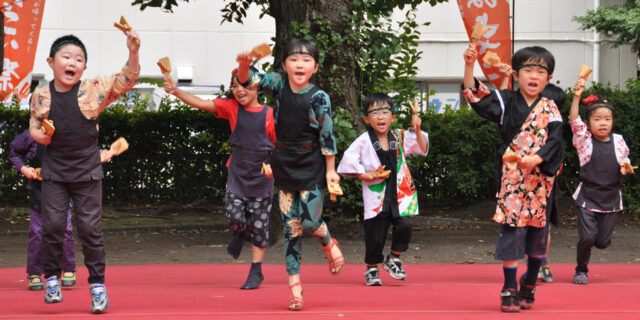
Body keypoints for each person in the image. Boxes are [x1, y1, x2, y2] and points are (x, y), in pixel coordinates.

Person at [29, 32, 140, 313]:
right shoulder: (41, 94)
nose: (72, 62)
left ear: (84, 68)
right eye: (66, 57)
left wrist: (133, 51)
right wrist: (40, 136)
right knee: (52, 228)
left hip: (88, 173)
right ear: (51, 62)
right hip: (54, 174)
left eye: (79, 59)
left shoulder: (93, 88)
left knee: (90, 230)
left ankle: (98, 287)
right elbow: (33, 126)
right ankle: (51, 278)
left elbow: (126, 80)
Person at [236, 38, 344, 311]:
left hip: (312, 164)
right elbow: (249, 80)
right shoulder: (277, 84)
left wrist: (331, 171)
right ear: (283, 65)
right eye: (294, 59)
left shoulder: (320, 97)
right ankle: (295, 288)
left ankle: (328, 241)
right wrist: (244, 64)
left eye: (306, 60)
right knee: (291, 228)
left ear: (315, 67)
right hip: (284, 163)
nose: (300, 64)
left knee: (310, 222)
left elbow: (327, 134)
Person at [462, 45, 563, 312]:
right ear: (516, 74)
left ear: (548, 78)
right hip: (512, 180)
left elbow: (556, 141)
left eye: (540, 71)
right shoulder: (506, 100)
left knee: (538, 237)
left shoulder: (551, 107)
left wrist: (538, 158)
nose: (534, 76)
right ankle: (509, 288)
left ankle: (529, 283)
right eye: (528, 69)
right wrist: (470, 65)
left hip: (541, 182)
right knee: (511, 232)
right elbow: (476, 97)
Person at [163, 67, 275, 290]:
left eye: (244, 85)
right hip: (238, 174)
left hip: (262, 177)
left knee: (259, 225)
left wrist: (273, 165)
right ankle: (240, 232)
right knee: (234, 216)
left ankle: (256, 271)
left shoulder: (270, 114)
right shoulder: (231, 107)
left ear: (258, 87)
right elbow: (201, 103)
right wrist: (176, 91)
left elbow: (280, 145)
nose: (239, 90)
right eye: (234, 86)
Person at [337, 93, 428, 286]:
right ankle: (371, 268)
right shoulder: (364, 140)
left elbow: (421, 148)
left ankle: (394, 258)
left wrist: (417, 129)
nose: (380, 117)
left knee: (405, 226)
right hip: (376, 195)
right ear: (366, 119)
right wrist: (365, 174)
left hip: (400, 193)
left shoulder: (400, 136)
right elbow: (348, 160)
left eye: (385, 112)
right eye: (375, 112)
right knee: (375, 234)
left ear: (392, 117)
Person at [569, 82, 632, 285]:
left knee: (602, 243)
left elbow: (624, 160)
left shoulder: (619, 140)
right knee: (587, 238)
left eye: (607, 119)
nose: (603, 123)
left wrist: (625, 166)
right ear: (588, 123)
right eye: (597, 119)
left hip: (611, 199)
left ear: (612, 122)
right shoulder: (584, 141)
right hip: (588, 197)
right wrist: (577, 97)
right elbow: (574, 121)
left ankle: (597, 241)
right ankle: (581, 270)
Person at [9, 130, 77, 291]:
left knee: (65, 230)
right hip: (39, 190)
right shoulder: (30, 135)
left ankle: (68, 267)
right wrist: (23, 168)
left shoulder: (67, 130)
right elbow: (14, 152)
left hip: (63, 188)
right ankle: (34, 273)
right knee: (37, 232)